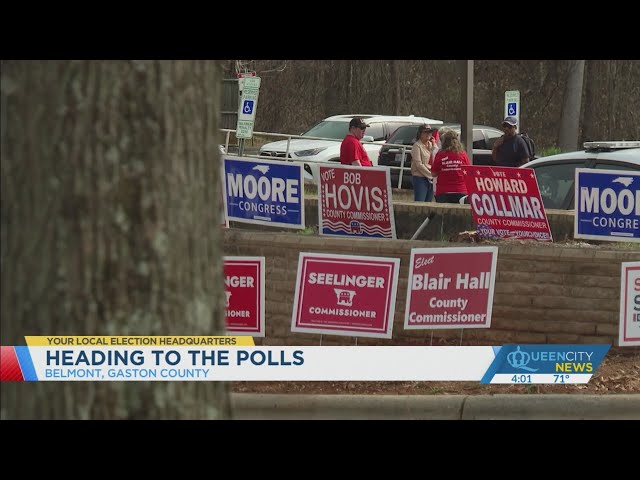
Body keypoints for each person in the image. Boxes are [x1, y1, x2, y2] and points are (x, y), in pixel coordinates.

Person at [431, 129, 471, 203]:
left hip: (443, 191)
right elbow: (469, 171)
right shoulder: (463, 154)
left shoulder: (440, 154)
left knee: (443, 213)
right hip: (461, 190)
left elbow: (433, 173)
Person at [410, 124, 436, 202]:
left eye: (430, 132)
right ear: (420, 134)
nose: (428, 134)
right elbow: (419, 164)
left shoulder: (431, 145)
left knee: (429, 203)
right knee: (420, 202)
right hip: (420, 178)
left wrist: (434, 145)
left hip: (431, 179)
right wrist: (430, 175)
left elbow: (436, 157)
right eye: (425, 132)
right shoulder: (417, 146)